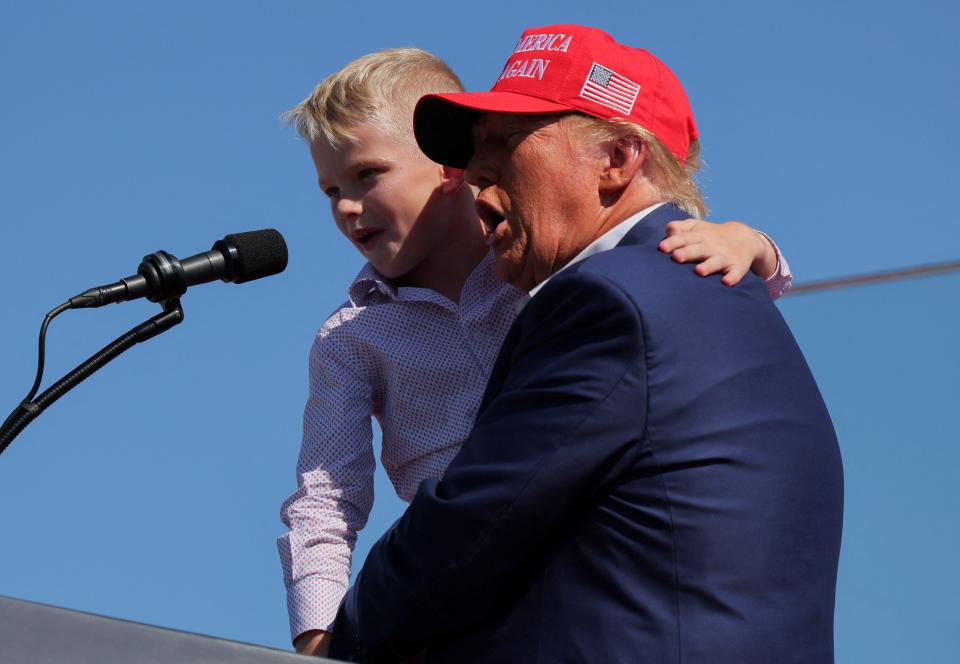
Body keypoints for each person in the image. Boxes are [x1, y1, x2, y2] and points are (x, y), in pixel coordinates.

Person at [327, 24, 843, 664]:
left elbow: (467, 526)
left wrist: (332, 652)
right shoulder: (694, 288)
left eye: (504, 143)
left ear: (617, 160)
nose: (471, 173)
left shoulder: (611, 300)